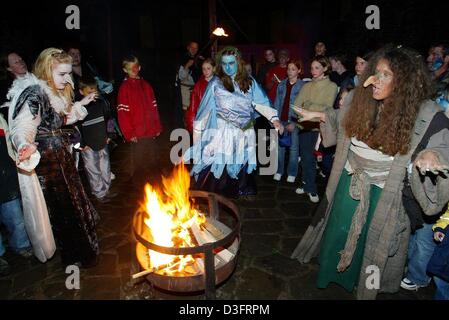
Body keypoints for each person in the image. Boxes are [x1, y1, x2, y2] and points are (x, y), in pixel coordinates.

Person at [291, 45, 449, 300]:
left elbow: (443, 143)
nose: (373, 80)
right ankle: (335, 275)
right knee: (340, 230)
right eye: (375, 72)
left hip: (385, 190)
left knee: (373, 242)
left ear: (405, 81)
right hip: (349, 179)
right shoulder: (359, 97)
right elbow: (340, 117)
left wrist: (433, 155)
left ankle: (364, 283)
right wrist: (320, 116)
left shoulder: (425, 113)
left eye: (385, 75)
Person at [8, 48, 100, 267]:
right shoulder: (33, 93)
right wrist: (24, 145)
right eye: (62, 74)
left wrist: (82, 104)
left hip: (62, 159)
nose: (68, 80)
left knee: (75, 206)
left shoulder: (50, 92)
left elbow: (60, 119)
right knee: (64, 211)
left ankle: (82, 253)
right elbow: (22, 127)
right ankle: (75, 257)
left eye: (69, 74)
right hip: (50, 164)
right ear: (47, 70)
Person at [183, 46, 283, 199]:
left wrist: (274, 120)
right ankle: (216, 193)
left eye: (231, 63)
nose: (228, 67)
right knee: (221, 160)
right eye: (224, 63)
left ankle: (240, 189)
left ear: (238, 62)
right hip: (223, 130)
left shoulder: (249, 82)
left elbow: (261, 102)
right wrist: (198, 133)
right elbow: (205, 109)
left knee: (241, 158)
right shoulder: (215, 84)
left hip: (244, 130)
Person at [294, 56, 338, 203]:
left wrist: (309, 107)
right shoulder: (306, 86)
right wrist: (312, 109)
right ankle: (306, 183)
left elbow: (327, 109)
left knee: (310, 159)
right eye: (312, 68)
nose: (313, 71)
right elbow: (296, 107)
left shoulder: (331, 86)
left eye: (317, 67)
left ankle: (311, 187)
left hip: (318, 129)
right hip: (303, 127)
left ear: (325, 68)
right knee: (305, 158)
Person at [117, 55, 162, 182]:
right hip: (137, 134)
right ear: (125, 70)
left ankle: (155, 185)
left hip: (150, 131)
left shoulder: (146, 85)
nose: (134, 71)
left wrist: (157, 126)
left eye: (136, 67)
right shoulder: (124, 88)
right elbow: (122, 114)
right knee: (139, 163)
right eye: (130, 69)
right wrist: (129, 133)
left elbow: (154, 107)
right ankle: (138, 189)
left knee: (154, 160)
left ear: (139, 67)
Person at [0, 112, 32, 276]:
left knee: (15, 216)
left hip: (5, 177)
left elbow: (8, 141)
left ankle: (21, 245)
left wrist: (16, 161)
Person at [77, 76, 115, 203]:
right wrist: (80, 145)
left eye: (95, 92)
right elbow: (73, 128)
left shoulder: (101, 103)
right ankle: (99, 193)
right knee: (93, 169)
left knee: (105, 167)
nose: (93, 95)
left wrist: (109, 135)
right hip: (88, 145)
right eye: (89, 93)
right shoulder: (78, 108)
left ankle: (107, 189)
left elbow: (109, 119)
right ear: (81, 92)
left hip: (102, 141)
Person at [272, 59, 304, 183]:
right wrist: (276, 120)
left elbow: (303, 107)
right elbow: (277, 103)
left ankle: (292, 172)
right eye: (288, 69)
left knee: (294, 149)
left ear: (299, 71)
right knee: (280, 148)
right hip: (281, 120)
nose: (290, 71)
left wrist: (295, 123)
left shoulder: (303, 86)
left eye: (293, 69)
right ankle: (279, 171)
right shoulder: (281, 84)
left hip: (293, 121)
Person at [185, 58, 216, 134]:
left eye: (208, 68)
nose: (206, 71)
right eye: (203, 69)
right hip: (203, 120)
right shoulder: (198, 85)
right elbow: (193, 106)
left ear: (214, 69)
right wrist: (191, 124)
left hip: (216, 120)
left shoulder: (219, 84)